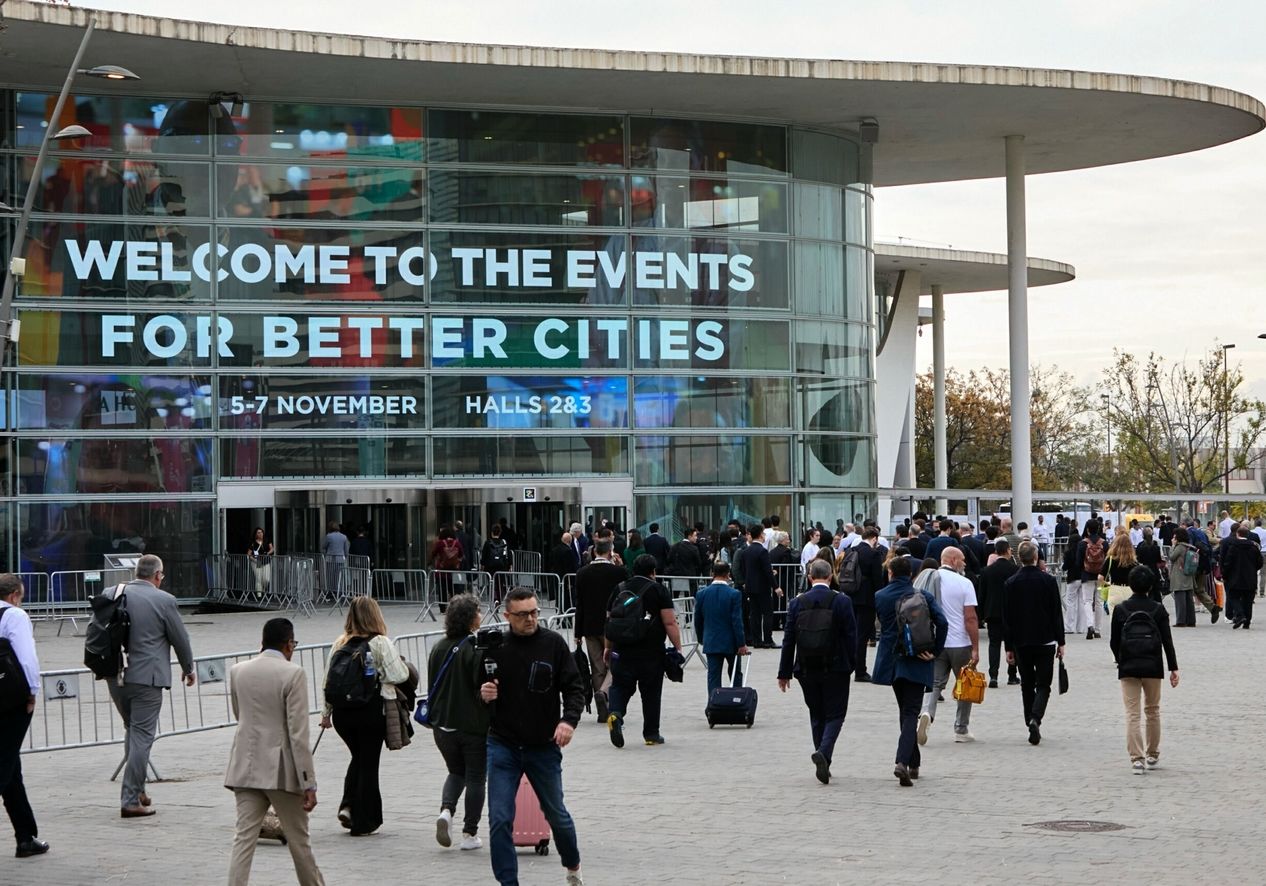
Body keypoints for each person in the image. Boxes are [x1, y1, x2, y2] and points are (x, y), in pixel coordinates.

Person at [479, 587, 586, 886]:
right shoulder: (495, 647)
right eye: (523, 614)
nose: (530, 619)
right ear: (507, 616)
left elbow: (574, 688)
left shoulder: (553, 644)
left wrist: (568, 721)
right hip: (503, 744)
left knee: (557, 816)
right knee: (499, 819)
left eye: (535, 612)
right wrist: (484, 694)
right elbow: (479, 691)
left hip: (543, 746)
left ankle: (573, 866)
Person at [225, 618, 324, 886]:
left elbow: (240, 714)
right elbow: (298, 734)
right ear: (289, 644)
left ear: (263, 642)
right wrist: (309, 782)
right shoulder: (293, 674)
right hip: (280, 770)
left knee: (243, 838)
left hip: (244, 765)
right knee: (299, 841)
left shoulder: (238, 671)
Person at [106, 554, 195, 818]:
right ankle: (130, 799)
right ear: (158, 575)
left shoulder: (112, 593)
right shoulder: (164, 600)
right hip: (147, 678)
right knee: (143, 736)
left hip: (115, 675)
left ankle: (138, 789)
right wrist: (188, 668)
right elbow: (180, 638)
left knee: (132, 731)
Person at [318, 596, 410, 836]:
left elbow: (329, 681)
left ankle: (348, 805)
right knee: (368, 763)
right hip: (370, 710)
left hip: (343, 715)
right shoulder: (380, 642)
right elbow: (399, 674)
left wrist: (325, 713)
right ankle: (364, 821)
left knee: (359, 757)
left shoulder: (340, 642)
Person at [778, 559, 858, 784]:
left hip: (805, 668)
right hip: (836, 666)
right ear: (831, 576)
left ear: (810, 577)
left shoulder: (797, 603)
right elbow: (852, 636)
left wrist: (783, 672)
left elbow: (788, 639)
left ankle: (821, 754)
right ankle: (823, 753)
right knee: (836, 714)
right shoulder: (842, 601)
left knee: (816, 713)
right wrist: (851, 664)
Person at [872, 556, 947, 786]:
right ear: (911, 575)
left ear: (891, 573)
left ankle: (913, 763)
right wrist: (935, 650)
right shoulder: (922, 596)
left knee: (905, 711)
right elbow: (942, 622)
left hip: (893, 662)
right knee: (910, 712)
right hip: (918, 659)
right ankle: (902, 762)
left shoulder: (880, 596)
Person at [426, 594, 489, 852]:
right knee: (475, 777)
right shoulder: (474, 647)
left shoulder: (439, 647)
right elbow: (482, 687)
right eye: (478, 611)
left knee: (455, 771)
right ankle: (469, 833)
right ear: (471, 618)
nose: (481, 615)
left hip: (442, 725)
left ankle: (446, 811)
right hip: (472, 725)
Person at [605, 555, 683, 747]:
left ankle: (615, 713)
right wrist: (678, 647)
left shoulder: (620, 588)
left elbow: (610, 620)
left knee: (620, 686)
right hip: (651, 651)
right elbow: (669, 621)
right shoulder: (658, 590)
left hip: (622, 649)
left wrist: (607, 647)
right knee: (651, 692)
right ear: (653, 571)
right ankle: (651, 734)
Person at [1109, 566, 1179, 774]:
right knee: (1152, 710)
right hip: (1152, 664)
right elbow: (1167, 641)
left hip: (1129, 665)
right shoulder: (1158, 609)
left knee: (1132, 713)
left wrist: (1120, 658)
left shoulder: (1121, 610)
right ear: (1150, 585)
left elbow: (1114, 641)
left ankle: (1136, 758)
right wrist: (1173, 668)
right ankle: (1152, 753)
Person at [0, 574, 47, 858]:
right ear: (15, 594)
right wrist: (32, 691)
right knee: (4, 763)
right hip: (10, 699)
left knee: (10, 766)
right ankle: (25, 836)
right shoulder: (15, 616)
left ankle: (26, 835)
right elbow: (26, 656)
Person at [1001, 542, 1065, 746]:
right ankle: (1036, 718)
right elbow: (1056, 613)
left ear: (1020, 558)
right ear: (1036, 557)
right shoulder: (1048, 581)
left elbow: (1007, 618)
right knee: (1044, 683)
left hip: (1021, 641)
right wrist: (1061, 641)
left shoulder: (1011, 583)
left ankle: (1029, 717)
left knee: (1026, 683)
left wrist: (1008, 647)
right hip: (1045, 639)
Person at [916, 547, 980, 744]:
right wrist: (975, 647)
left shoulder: (928, 580)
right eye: (962, 559)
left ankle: (926, 712)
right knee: (965, 683)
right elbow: (970, 618)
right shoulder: (964, 583)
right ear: (953, 560)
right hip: (960, 642)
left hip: (936, 641)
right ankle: (961, 728)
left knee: (934, 682)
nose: (965, 563)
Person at [573, 538, 627, 721]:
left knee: (597, 666)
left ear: (594, 552)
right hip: (611, 625)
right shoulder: (618, 572)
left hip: (588, 626)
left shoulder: (582, 573)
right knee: (615, 662)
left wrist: (577, 632)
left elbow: (579, 604)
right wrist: (621, 565)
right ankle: (604, 693)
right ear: (611, 552)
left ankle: (602, 712)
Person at [694, 561, 749, 698]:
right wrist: (741, 643)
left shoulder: (701, 594)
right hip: (731, 642)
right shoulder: (734, 594)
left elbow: (698, 620)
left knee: (713, 676)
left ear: (712, 574)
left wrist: (702, 638)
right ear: (728, 575)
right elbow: (737, 621)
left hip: (711, 640)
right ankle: (737, 702)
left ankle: (713, 705)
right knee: (735, 673)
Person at [977, 539, 1020, 688]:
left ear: (995, 551)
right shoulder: (1015, 570)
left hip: (993, 612)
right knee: (1012, 643)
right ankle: (1012, 674)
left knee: (994, 644)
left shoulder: (986, 571)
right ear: (1008, 550)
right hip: (1012, 613)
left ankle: (993, 676)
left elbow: (982, 595)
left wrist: (981, 615)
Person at [849, 527, 887, 682]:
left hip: (852, 595)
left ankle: (852, 666)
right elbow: (878, 579)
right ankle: (860, 670)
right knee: (863, 635)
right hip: (867, 598)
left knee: (854, 632)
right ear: (874, 538)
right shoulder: (873, 554)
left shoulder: (852, 550)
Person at [739, 523, 778, 648]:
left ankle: (756, 640)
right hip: (762, 587)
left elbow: (744, 569)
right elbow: (767, 571)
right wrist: (775, 586)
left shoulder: (746, 551)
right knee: (767, 613)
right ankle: (767, 639)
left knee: (754, 614)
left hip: (750, 586)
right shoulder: (762, 551)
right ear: (761, 535)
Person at [1221, 523, 1263, 629]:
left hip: (1235, 578)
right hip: (1250, 578)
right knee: (1248, 600)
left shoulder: (1233, 547)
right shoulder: (1254, 547)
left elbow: (1228, 563)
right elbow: (1259, 562)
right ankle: (1247, 622)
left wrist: (1225, 574)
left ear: (1237, 534)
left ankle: (1240, 614)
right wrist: (1253, 570)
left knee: (1233, 597)